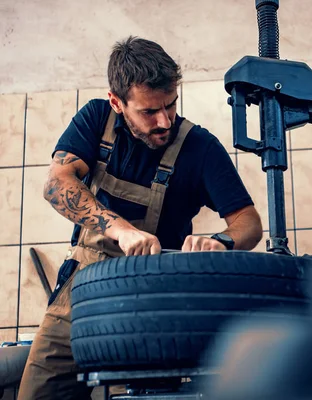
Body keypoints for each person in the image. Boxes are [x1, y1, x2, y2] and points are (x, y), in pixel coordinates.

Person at [18, 36, 263, 400]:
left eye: (171, 105)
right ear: (117, 102)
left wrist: (221, 241)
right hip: (83, 289)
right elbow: (56, 183)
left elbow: (250, 222)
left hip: (157, 294)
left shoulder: (200, 147)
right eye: (149, 111)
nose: (165, 120)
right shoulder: (96, 119)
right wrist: (122, 231)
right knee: (40, 390)